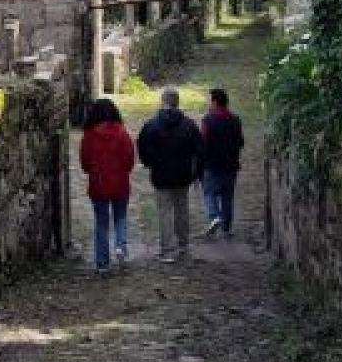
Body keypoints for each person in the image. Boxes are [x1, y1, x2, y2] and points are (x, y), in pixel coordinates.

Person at [137, 86, 203, 262]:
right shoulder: (189, 125)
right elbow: (199, 149)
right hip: (183, 174)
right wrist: (196, 171)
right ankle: (183, 246)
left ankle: (167, 250)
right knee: (182, 209)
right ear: (177, 102)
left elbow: (142, 146)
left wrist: (150, 163)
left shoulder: (152, 125)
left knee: (164, 212)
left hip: (161, 175)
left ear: (163, 102)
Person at [79, 97, 136, 275]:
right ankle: (120, 246)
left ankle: (102, 263)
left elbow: (85, 163)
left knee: (101, 223)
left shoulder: (89, 135)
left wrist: (94, 170)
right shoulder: (122, 133)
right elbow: (129, 161)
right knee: (120, 217)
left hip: (98, 184)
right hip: (120, 183)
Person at [201, 88, 244, 239]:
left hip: (212, 165)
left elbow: (204, 144)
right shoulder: (235, 120)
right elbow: (240, 142)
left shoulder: (208, 120)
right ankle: (226, 228)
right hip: (231, 165)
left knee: (209, 193)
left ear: (214, 102)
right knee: (227, 197)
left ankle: (214, 216)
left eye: (210, 101)